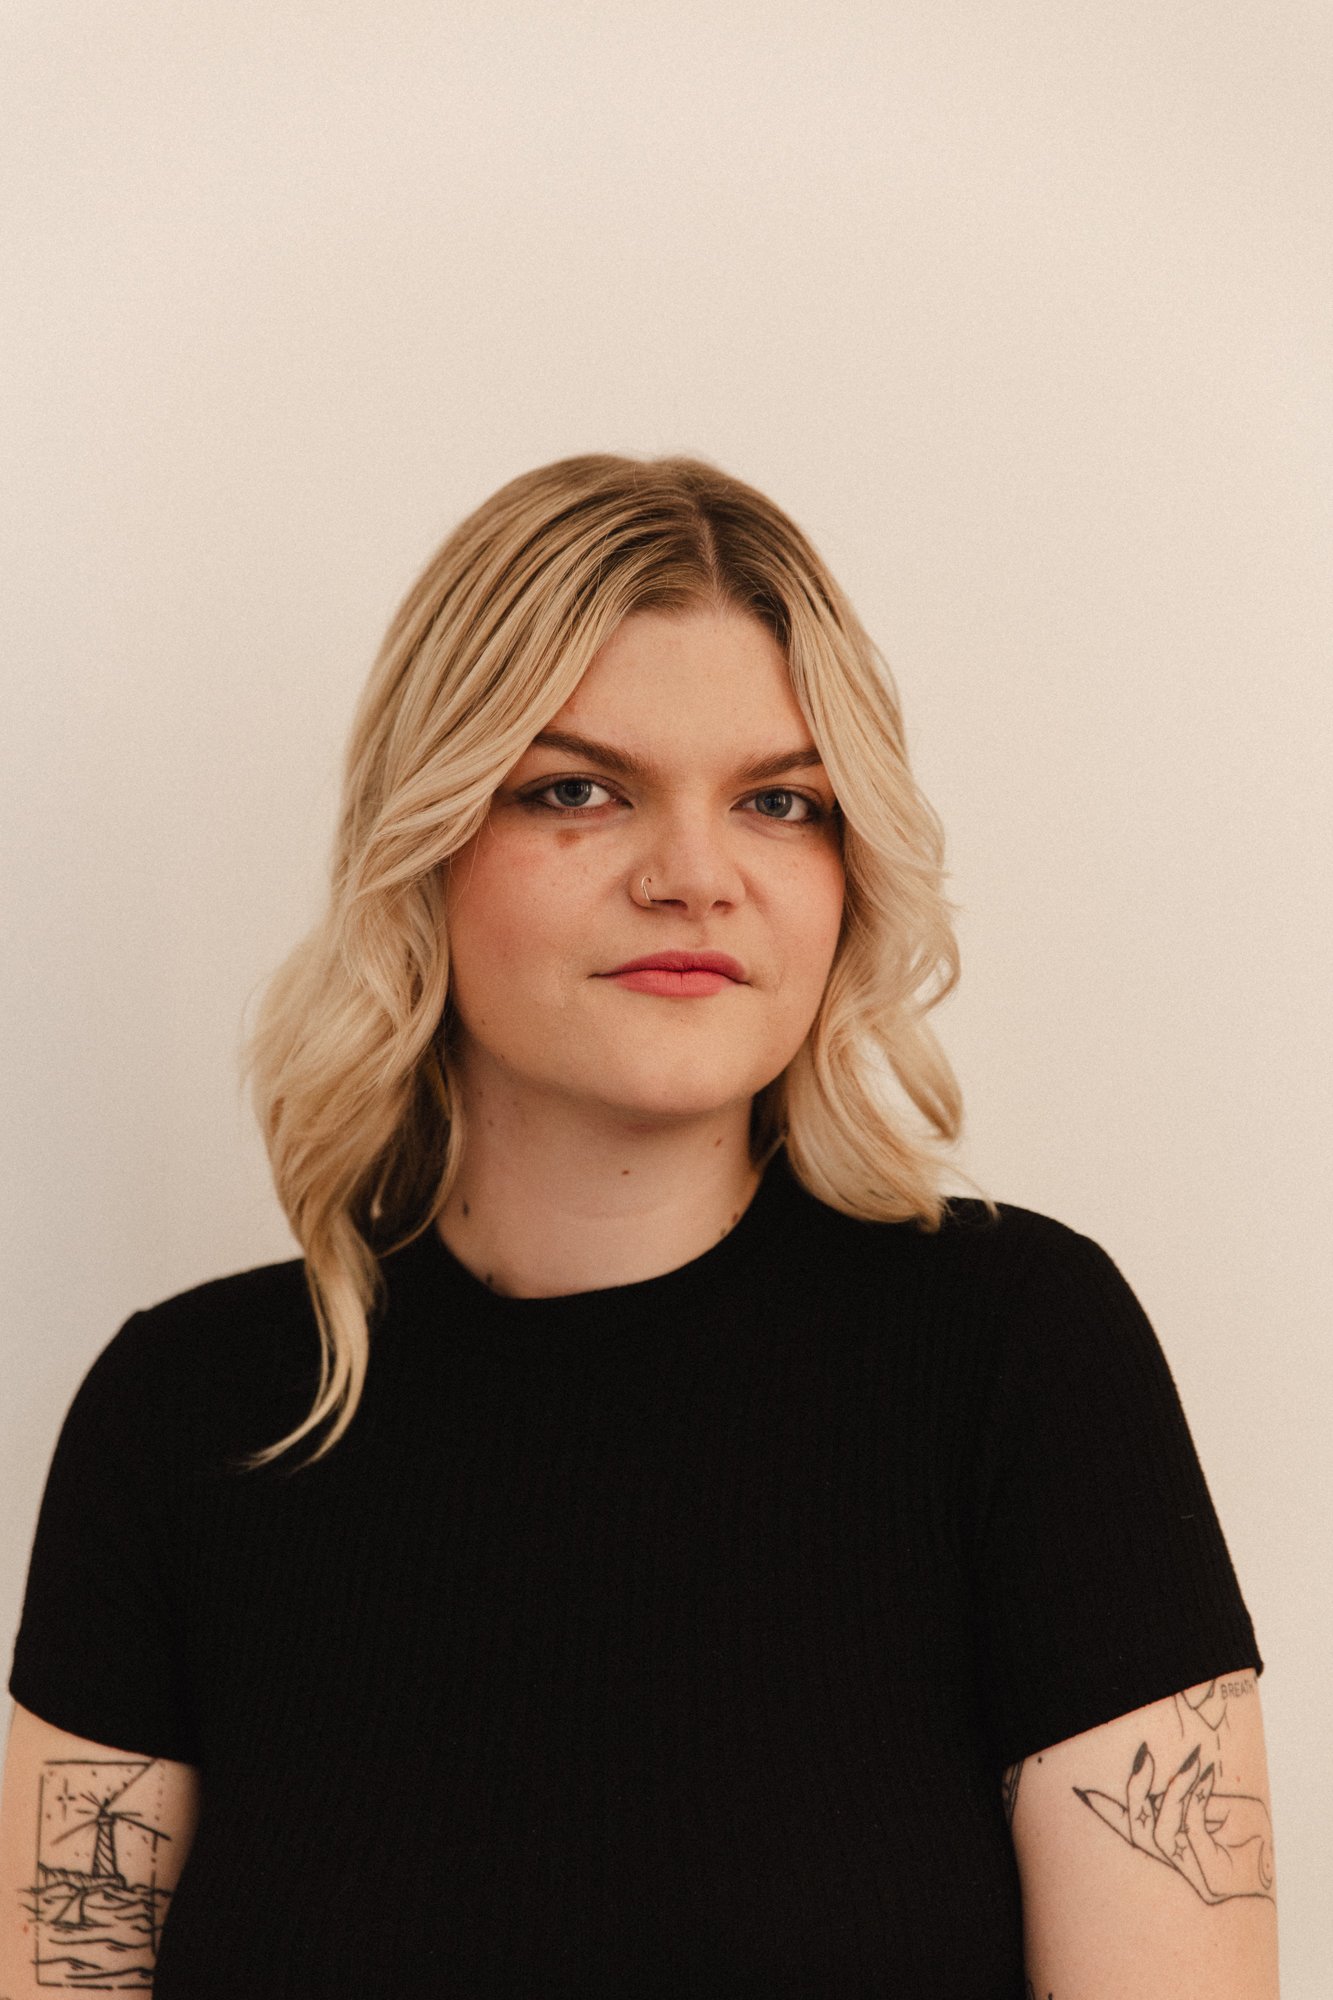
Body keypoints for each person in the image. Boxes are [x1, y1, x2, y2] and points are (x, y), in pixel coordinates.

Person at [1, 454, 1275, 1998]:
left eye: (779, 803)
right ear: (425, 842)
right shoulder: (184, 1413)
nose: (693, 877)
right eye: (576, 791)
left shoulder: (1017, 1352)